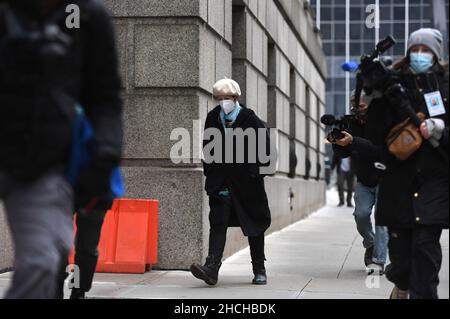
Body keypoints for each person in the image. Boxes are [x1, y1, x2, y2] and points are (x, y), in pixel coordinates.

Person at [0, 0, 123, 299]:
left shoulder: (90, 18)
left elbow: (105, 97)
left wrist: (104, 154)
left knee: (47, 259)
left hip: (40, 166)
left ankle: (78, 290)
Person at [334, 28, 448, 299]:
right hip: (399, 184)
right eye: (415, 50)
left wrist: (439, 129)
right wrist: (372, 96)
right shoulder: (392, 85)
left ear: (436, 54)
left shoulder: (445, 87)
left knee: (425, 253)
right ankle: (402, 284)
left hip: (434, 182)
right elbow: (377, 141)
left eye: (426, 50)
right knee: (403, 262)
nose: (420, 55)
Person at [190, 79, 272, 286]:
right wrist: (210, 173)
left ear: (236, 98)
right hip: (221, 183)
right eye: (219, 98)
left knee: (254, 225)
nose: (223, 102)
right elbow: (207, 148)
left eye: (227, 98)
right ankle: (212, 268)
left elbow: (266, 152)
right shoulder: (212, 118)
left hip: (247, 185)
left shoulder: (250, 119)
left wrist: (254, 174)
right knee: (218, 222)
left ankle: (259, 268)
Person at [332, 91, 388, 275]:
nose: (357, 109)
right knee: (361, 215)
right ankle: (370, 244)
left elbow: (381, 151)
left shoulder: (384, 122)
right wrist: (337, 143)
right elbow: (345, 152)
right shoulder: (352, 123)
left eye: (361, 105)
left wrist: (354, 141)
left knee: (382, 220)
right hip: (364, 179)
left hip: (384, 178)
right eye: (354, 105)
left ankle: (378, 261)